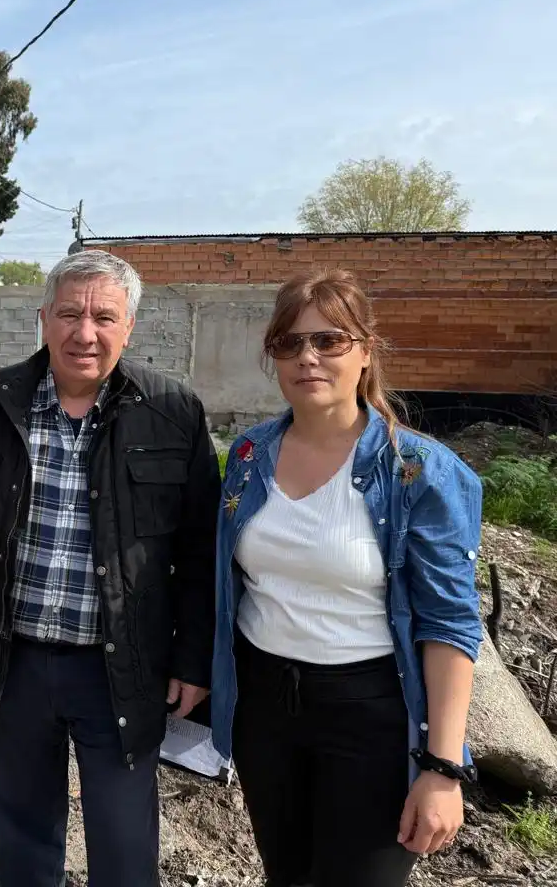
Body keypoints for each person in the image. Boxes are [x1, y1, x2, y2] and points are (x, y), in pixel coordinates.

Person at [0, 249, 221, 886]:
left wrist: (194, 660)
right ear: (44, 320)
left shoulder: (172, 414)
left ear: (129, 327)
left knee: (123, 837)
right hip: (14, 660)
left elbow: (199, 552)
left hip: (123, 667)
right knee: (23, 830)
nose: (86, 333)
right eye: (69, 314)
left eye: (104, 317)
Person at [210, 269, 482, 887]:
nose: (307, 357)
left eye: (328, 341)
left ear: (365, 351)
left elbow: (449, 625)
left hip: (371, 718)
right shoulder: (249, 457)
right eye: (289, 343)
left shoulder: (420, 472)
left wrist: (442, 767)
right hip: (266, 710)